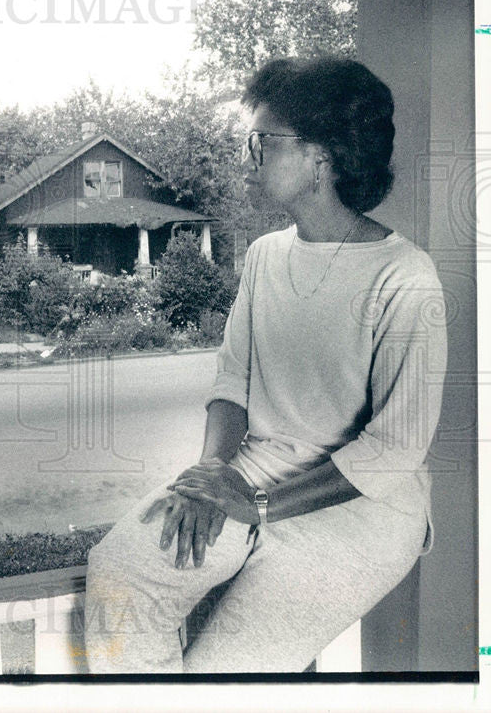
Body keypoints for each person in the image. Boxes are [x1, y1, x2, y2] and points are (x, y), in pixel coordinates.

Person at [83, 57, 448, 673]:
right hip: (248, 475)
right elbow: (233, 384)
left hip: (360, 510)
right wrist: (209, 474)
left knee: (227, 675)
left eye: (263, 142)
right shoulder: (264, 257)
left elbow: (394, 448)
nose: (247, 159)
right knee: (119, 574)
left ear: (323, 158)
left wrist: (255, 508)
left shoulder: (405, 277)